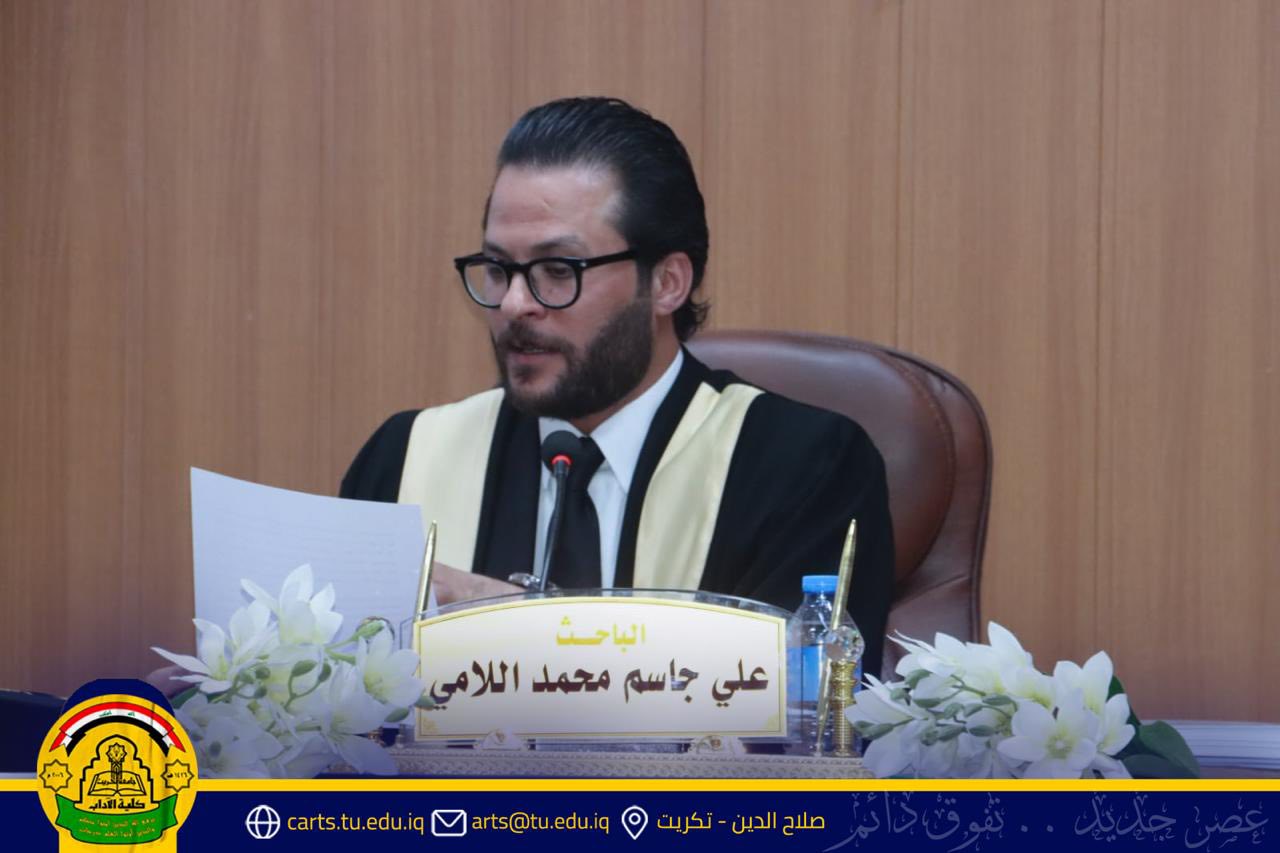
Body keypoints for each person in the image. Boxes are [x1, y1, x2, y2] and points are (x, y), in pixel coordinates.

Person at [340, 97, 896, 676]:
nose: (514, 304)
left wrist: (509, 622)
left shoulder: (802, 467)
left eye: (559, 270)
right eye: (500, 269)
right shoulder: (403, 459)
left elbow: (802, 701)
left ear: (667, 283)